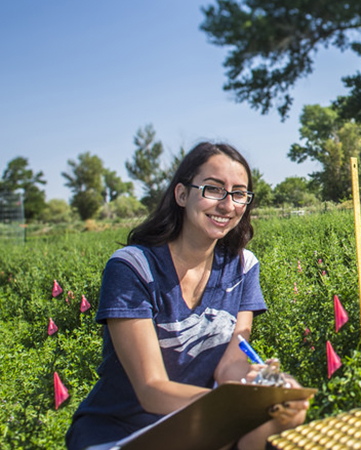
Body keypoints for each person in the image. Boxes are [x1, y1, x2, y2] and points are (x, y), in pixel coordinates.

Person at [66, 143, 309, 450]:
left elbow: (229, 368)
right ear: (181, 195)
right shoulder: (133, 267)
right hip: (121, 432)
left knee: (281, 419)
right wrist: (233, 405)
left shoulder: (243, 266)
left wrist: (268, 392)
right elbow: (151, 389)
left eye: (239, 193)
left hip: (201, 427)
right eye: (213, 189)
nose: (227, 205)